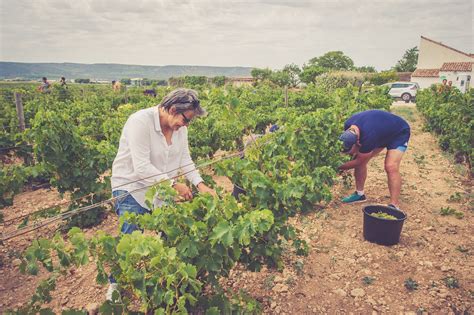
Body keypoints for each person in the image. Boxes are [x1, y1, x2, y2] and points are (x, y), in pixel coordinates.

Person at [107, 88, 216, 299]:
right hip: (131, 187)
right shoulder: (140, 121)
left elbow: (185, 159)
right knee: (130, 239)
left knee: (171, 233)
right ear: (173, 109)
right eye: (186, 120)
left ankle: (167, 279)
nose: (186, 125)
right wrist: (174, 184)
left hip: (161, 190)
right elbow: (141, 167)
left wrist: (200, 184)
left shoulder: (180, 129)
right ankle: (114, 286)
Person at [338, 110, 410, 211]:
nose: (349, 154)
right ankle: (360, 194)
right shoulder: (348, 125)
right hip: (381, 132)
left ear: (358, 141)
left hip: (399, 133)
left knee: (390, 166)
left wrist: (337, 167)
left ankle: (394, 205)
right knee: (359, 157)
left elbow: (360, 161)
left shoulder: (368, 137)